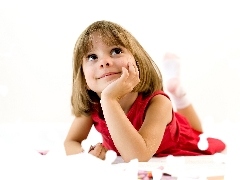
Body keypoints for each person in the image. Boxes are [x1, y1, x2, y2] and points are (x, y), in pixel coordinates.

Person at [64, 20, 225, 162]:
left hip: (178, 139)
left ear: (137, 62)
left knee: (197, 132)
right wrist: (86, 155)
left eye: (116, 51)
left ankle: (177, 93)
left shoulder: (158, 103)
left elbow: (137, 156)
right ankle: (175, 89)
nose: (105, 62)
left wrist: (109, 99)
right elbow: (71, 142)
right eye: (92, 57)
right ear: (84, 79)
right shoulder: (94, 106)